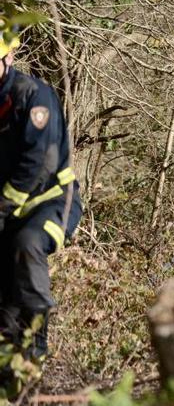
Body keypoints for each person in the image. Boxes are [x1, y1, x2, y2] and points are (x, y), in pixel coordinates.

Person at [0, 25, 82, 366]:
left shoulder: (34, 97)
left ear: (8, 56)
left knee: (28, 245)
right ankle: (10, 365)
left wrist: (2, 206)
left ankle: (36, 352)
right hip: (10, 211)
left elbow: (39, 163)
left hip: (54, 201)